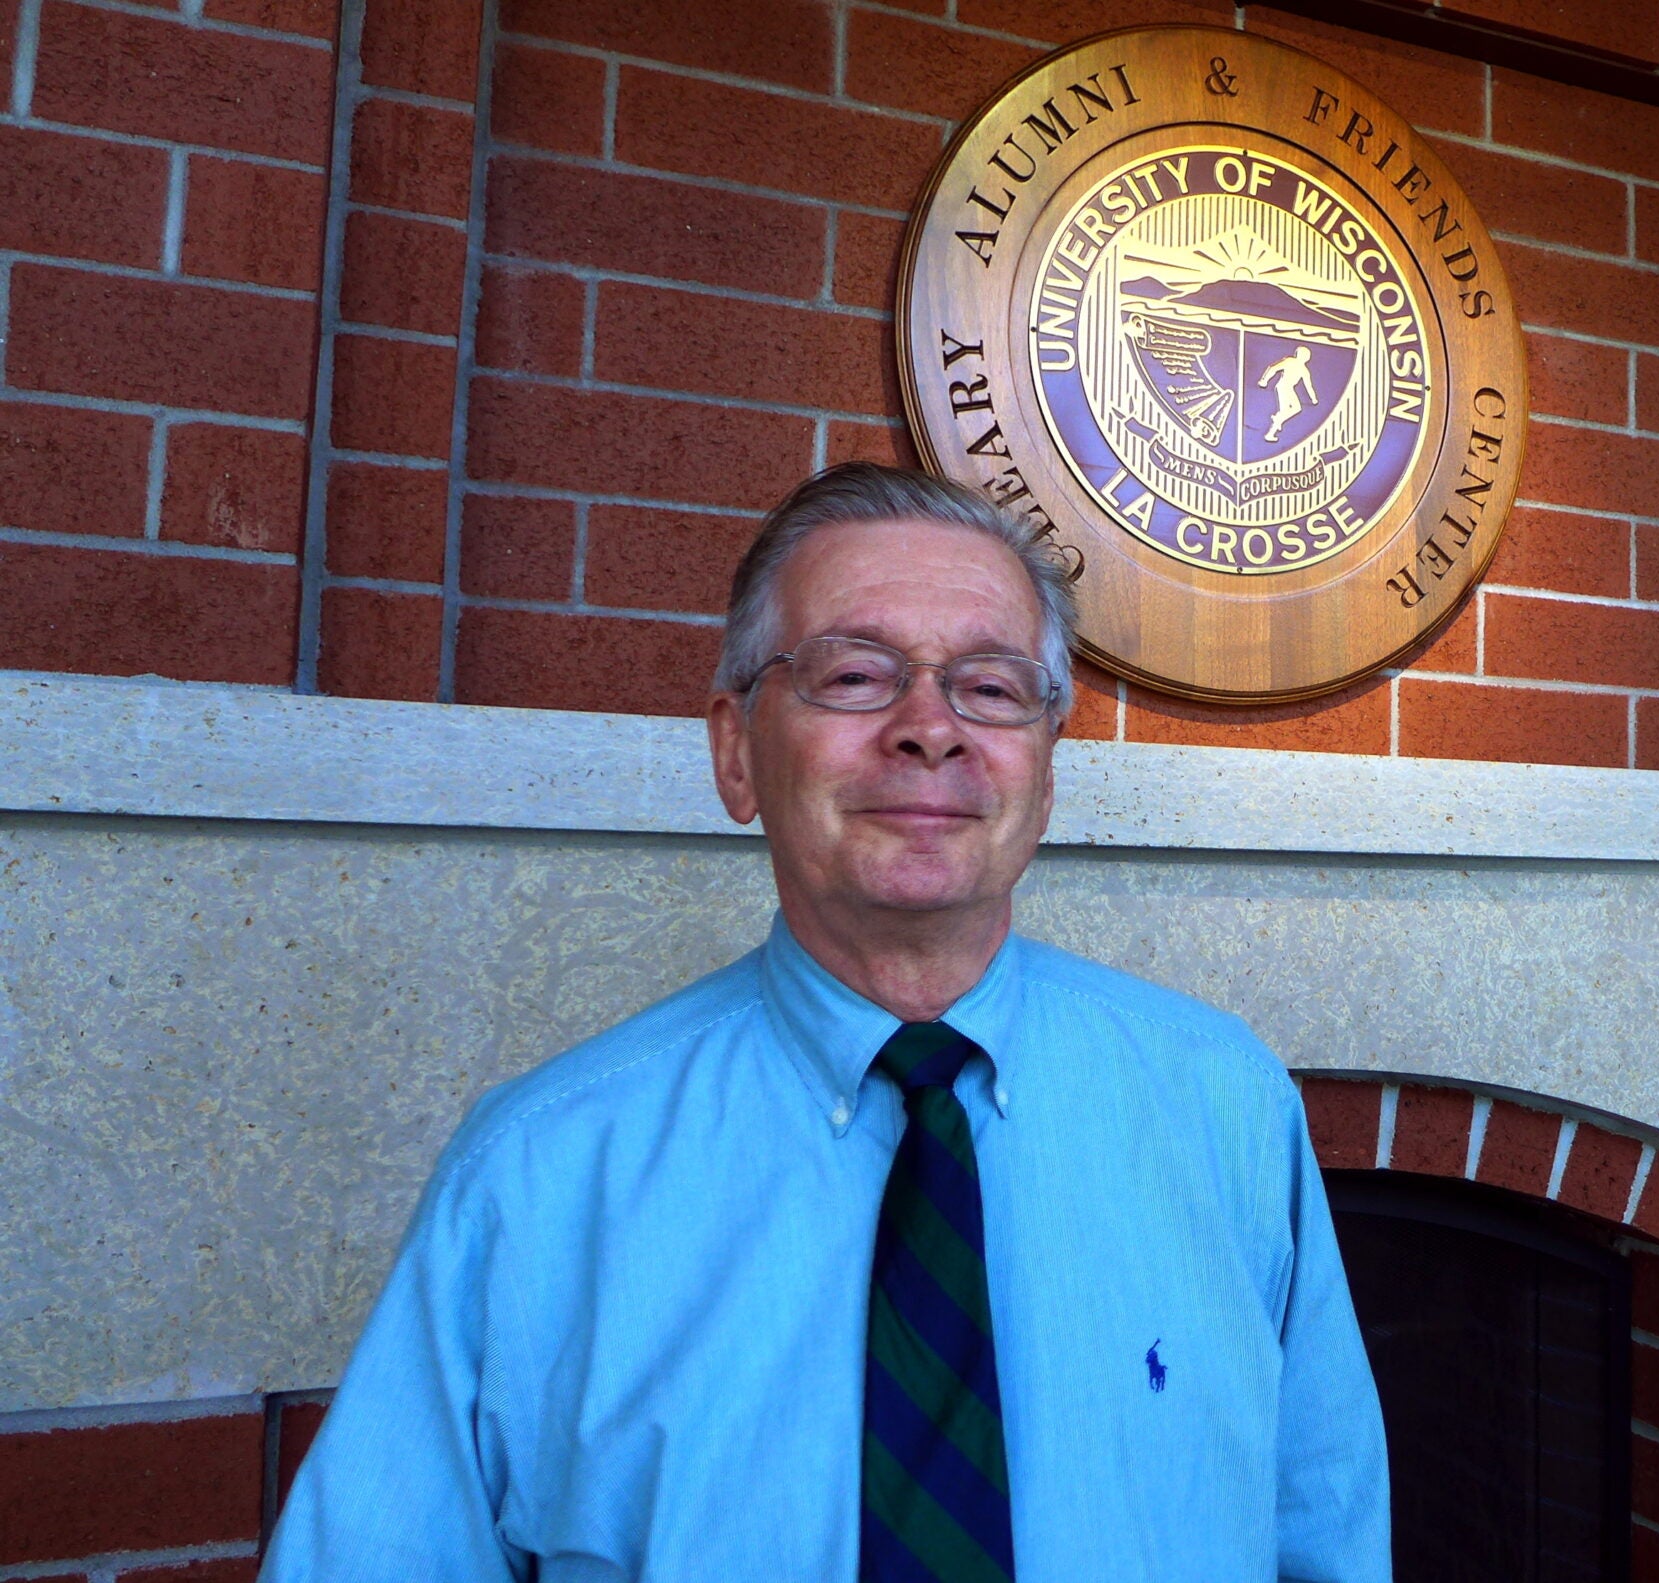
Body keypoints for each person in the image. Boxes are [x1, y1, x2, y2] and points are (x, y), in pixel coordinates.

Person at [262, 464, 1392, 1580]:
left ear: (1046, 773)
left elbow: (1326, 1536)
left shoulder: (1227, 1105)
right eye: (855, 675)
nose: (930, 729)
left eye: (991, 687)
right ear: (734, 751)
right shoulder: (536, 1173)